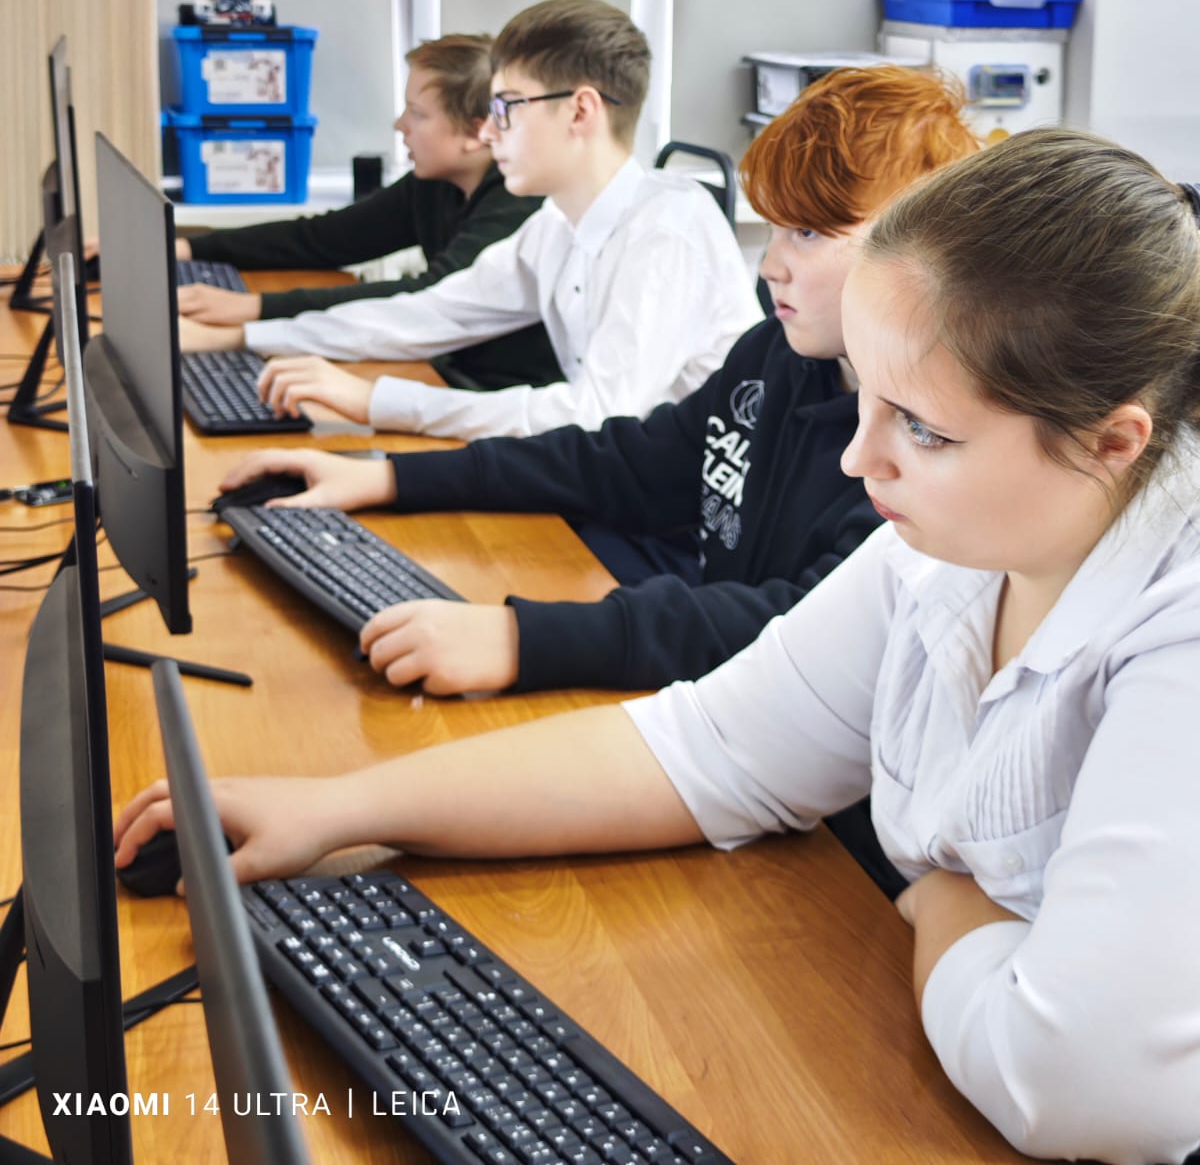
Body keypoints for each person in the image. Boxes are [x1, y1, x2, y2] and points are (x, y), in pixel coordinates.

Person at [118, 129, 1200, 1163]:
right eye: (868, 401)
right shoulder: (947, 547)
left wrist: (945, 903)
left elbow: (1078, 1086)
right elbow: (709, 746)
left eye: (924, 427)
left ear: (1112, 442)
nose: (857, 458)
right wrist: (340, 810)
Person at [213, 66, 979, 699]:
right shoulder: (777, 357)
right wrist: (384, 478)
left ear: (917, 250)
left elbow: (800, 626)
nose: (770, 264)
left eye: (806, 233)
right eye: (774, 228)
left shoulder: (928, 447)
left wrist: (525, 639)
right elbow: (624, 461)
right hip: (720, 699)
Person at [179, 0, 761, 440]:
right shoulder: (556, 224)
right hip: (617, 483)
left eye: (505, 108)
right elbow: (433, 312)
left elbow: (598, 417)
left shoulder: (665, 231)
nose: (488, 132)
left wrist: (377, 401)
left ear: (580, 111)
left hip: (684, 527)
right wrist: (248, 338)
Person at [171, 33, 562, 393]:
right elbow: (326, 237)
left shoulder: (519, 203)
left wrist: (255, 309)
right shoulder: (436, 182)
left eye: (417, 113)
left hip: (500, 396)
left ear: (477, 132)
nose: (400, 125)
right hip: (443, 371)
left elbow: (427, 296)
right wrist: (188, 249)